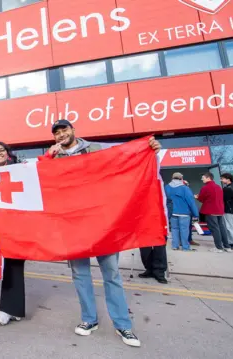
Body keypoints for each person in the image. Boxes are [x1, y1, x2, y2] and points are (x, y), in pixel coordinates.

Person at [42, 119, 161, 347]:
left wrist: (150, 149)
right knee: (80, 275)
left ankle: (123, 324)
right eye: (56, 132)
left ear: (73, 130)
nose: (60, 134)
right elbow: (41, 182)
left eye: (64, 129)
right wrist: (48, 158)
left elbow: (126, 157)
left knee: (112, 274)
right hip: (73, 225)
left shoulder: (97, 149)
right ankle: (89, 319)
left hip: (104, 223)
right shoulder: (53, 157)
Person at [0, 142, 28, 326]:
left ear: (8, 153)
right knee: (5, 267)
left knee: (13, 266)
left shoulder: (20, 170)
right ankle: (16, 309)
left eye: (1, 150)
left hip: (17, 225)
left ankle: (7, 309)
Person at [164, 173, 199, 253]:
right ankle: (185, 247)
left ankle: (175, 246)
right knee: (184, 229)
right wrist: (195, 213)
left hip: (172, 212)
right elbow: (191, 201)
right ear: (181, 178)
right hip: (184, 212)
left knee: (174, 229)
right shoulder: (185, 188)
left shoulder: (167, 187)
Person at [196, 173, 230, 253]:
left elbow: (201, 199)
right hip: (219, 210)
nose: (202, 179)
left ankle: (218, 248)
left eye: (203, 177)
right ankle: (227, 246)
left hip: (210, 211)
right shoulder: (218, 187)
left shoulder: (205, 187)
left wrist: (197, 197)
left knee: (215, 229)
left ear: (208, 178)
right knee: (221, 228)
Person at [220, 173, 233, 249]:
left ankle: (232, 243)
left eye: (222, 178)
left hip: (229, 210)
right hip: (232, 210)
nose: (221, 180)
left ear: (228, 179)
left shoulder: (227, 189)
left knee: (230, 227)